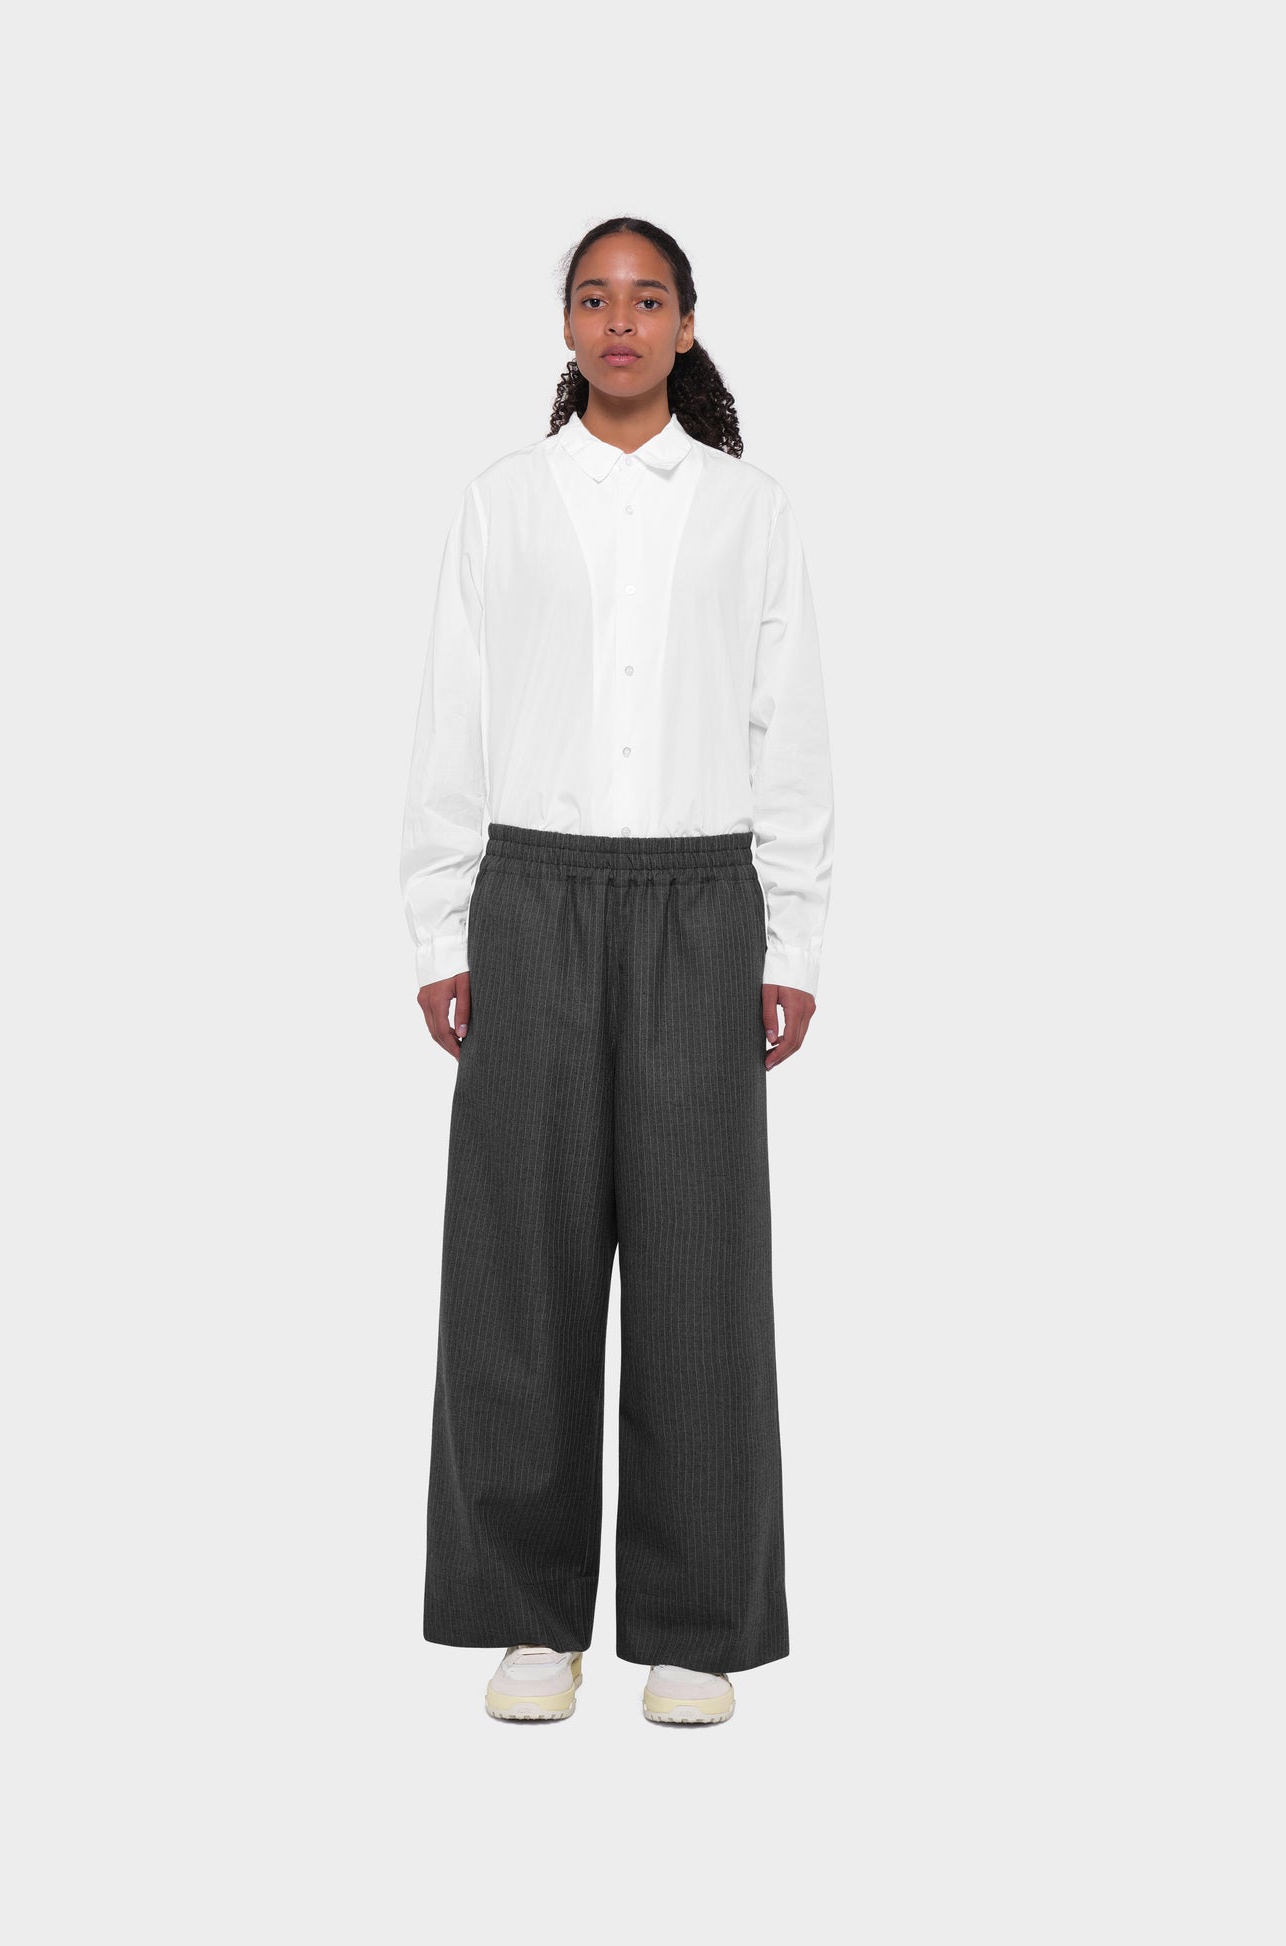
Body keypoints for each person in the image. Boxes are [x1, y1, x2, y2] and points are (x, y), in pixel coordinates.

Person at [398, 215, 834, 1726]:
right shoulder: (504, 503)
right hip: (530, 896)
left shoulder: (747, 511)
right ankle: (529, 1616)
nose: (621, 322)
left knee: (701, 1262)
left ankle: (694, 1621)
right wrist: (441, 926)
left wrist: (791, 938)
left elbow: (788, 729)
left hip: (702, 901)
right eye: (595, 298)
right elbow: (453, 717)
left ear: (688, 325)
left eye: (649, 299)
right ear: (568, 326)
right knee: (516, 1260)